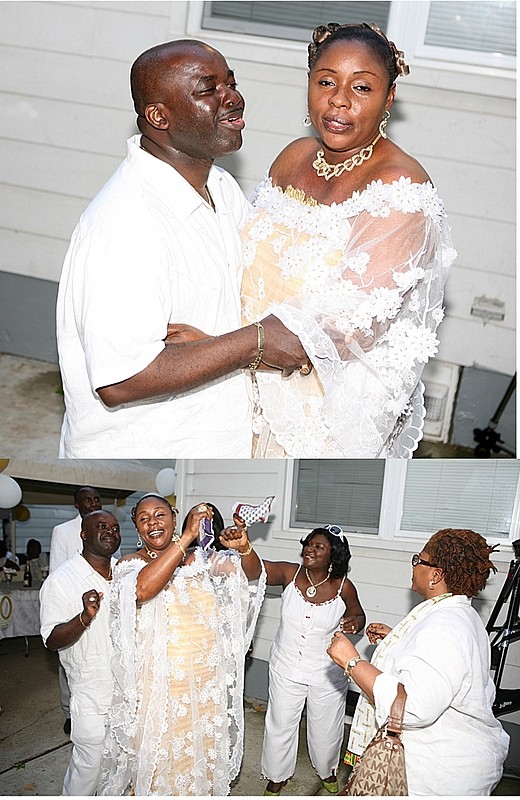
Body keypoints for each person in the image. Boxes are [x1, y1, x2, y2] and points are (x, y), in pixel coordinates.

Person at [56, 39, 308, 459]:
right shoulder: (125, 224)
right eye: (208, 89)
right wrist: (254, 342)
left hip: (218, 436)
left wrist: (218, 342)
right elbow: (122, 380)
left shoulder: (221, 188)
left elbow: (259, 292)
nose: (233, 97)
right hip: (148, 450)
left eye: (231, 82)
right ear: (158, 116)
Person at [240, 22, 457, 457]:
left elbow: (340, 332)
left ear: (388, 99)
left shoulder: (400, 189)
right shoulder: (292, 157)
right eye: (326, 82)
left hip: (318, 412)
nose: (339, 100)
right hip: (243, 376)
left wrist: (214, 350)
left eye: (361, 88)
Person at [98, 494, 266, 796]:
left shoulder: (201, 560)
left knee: (196, 760)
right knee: (161, 764)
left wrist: (245, 549)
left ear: (173, 518)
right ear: (137, 527)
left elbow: (249, 574)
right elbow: (144, 589)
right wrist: (187, 536)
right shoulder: (129, 565)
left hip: (204, 688)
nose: (153, 522)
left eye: (160, 514)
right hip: (160, 690)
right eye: (144, 518)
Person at [327, 528, 510, 796]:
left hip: (438, 772)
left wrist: (352, 661)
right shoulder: (458, 615)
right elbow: (437, 661)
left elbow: (413, 708)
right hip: (445, 759)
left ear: (436, 575)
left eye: (419, 560)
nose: (413, 566)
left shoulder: (445, 627)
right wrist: (398, 641)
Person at [260, 526, 365, 796]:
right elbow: (256, 569)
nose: (310, 549)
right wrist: (244, 548)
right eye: (309, 544)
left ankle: (327, 770)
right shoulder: (289, 574)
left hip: (326, 674)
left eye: (319, 546)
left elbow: (359, 615)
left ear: (334, 555)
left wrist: (355, 623)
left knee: (325, 729)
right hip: (286, 667)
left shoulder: (344, 587)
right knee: (280, 724)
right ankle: (276, 776)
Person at [39, 510, 121, 796]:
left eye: (114, 527)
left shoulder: (122, 574)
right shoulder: (62, 580)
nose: (110, 531)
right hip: (91, 692)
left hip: (126, 689)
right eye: (101, 526)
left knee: (120, 766)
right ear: (84, 535)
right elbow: (51, 639)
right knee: (89, 767)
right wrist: (84, 617)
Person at [49, 485, 103, 735]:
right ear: (77, 505)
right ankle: (69, 711)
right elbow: (56, 570)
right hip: (73, 604)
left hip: (102, 602)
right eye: (87, 500)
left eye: (96, 499)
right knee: (68, 659)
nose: (92, 503)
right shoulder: (62, 531)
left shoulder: (107, 525)